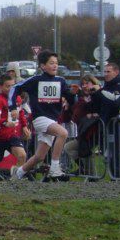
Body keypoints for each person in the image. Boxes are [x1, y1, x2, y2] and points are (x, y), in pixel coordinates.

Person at [8, 50, 74, 181]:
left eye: (56, 63)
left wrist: (73, 94)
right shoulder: (35, 80)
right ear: (42, 66)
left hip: (53, 119)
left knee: (39, 156)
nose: (55, 66)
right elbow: (14, 88)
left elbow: (71, 100)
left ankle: (18, 173)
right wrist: (13, 107)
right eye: (51, 63)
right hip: (40, 118)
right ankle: (55, 168)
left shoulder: (61, 81)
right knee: (63, 133)